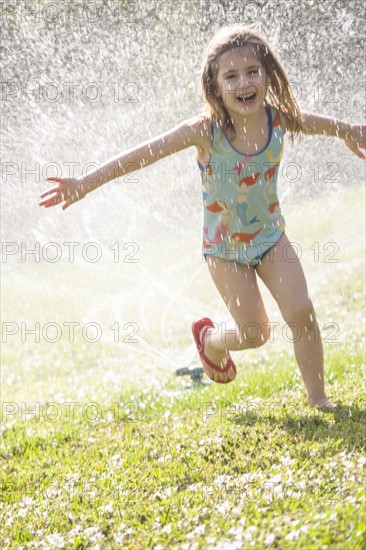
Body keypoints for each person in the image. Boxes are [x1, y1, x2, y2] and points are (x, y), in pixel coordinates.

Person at [40, 25, 365, 409]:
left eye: (252, 72)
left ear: (266, 75)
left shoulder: (278, 118)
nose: (243, 82)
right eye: (231, 76)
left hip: (272, 239)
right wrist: (84, 183)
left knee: (302, 312)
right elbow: (139, 155)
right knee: (254, 334)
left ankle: (318, 398)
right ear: (215, 85)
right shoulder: (204, 131)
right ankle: (210, 339)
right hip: (224, 252)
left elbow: (317, 123)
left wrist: (349, 131)